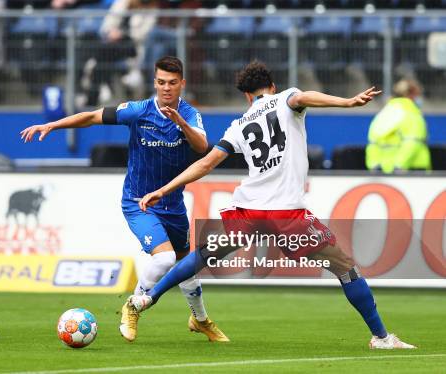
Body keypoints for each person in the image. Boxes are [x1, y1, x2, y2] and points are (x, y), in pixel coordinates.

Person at [123, 61, 416, 350]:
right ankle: (381, 337)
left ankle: (148, 297)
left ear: (246, 95)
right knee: (345, 268)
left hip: (249, 211)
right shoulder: (285, 99)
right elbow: (302, 97)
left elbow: (205, 163)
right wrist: (348, 102)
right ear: (271, 87)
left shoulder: (239, 125)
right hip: (286, 213)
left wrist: (163, 189)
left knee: (205, 253)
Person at [20, 56, 229, 343]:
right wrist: (53, 125)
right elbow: (93, 117)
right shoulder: (139, 111)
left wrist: (181, 123)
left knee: (185, 267)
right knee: (166, 257)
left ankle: (200, 319)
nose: (166, 88)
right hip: (138, 201)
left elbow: (202, 146)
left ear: (182, 84)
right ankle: (133, 305)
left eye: (171, 83)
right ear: (154, 83)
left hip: (172, 204)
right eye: (160, 82)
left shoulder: (190, 115)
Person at [366, 78, 431, 173]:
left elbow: (373, 143)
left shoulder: (382, 114)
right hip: (412, 170)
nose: (419, 98)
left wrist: (374, 166)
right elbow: (413, 142)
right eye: (418, 95)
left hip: (384, 170)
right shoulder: (412, 114)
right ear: (411, 95)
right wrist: (399, 167)